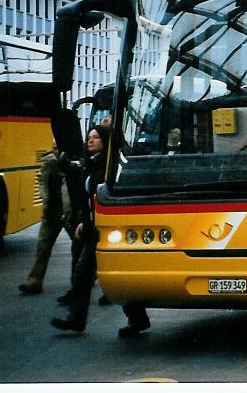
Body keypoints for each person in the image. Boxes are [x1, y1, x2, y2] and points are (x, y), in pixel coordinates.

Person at [50, 125, 151, 336]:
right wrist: (82, 221)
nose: (91, 140)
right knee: (82, 274)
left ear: (106, 141)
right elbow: (84, 199)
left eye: (96, 137)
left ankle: (137, 318)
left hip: (110, 229)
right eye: (89, 137)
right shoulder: (90, 166)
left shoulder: (110, 167)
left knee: (119, 277)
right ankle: (76, 319)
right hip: (93, 230)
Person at [18, 141, 74, 295]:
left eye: (59, 148)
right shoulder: (47, 164)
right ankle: (35, 279)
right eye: (54, 148)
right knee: (43, 246)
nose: (56, 151)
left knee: (79, 246)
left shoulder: (73, 163)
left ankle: (84, 278)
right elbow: (43, 186)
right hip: (51, 212)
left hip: (69, 212)